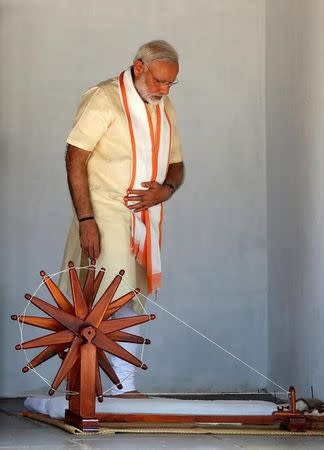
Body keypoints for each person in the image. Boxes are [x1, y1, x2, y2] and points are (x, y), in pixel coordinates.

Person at [59, 40, 184, 397]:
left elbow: (176, 163)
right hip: (104, 210)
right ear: (139, 67)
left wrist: (167, 189)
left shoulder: (164, 106)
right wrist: (86, 219)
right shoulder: (103, 98)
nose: (164, 90)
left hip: (145, 217)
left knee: (133, 294)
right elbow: (75, 158)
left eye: (171, 84)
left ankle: (102, 385)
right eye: (160, 81)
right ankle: (121, 387)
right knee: (115, 294)